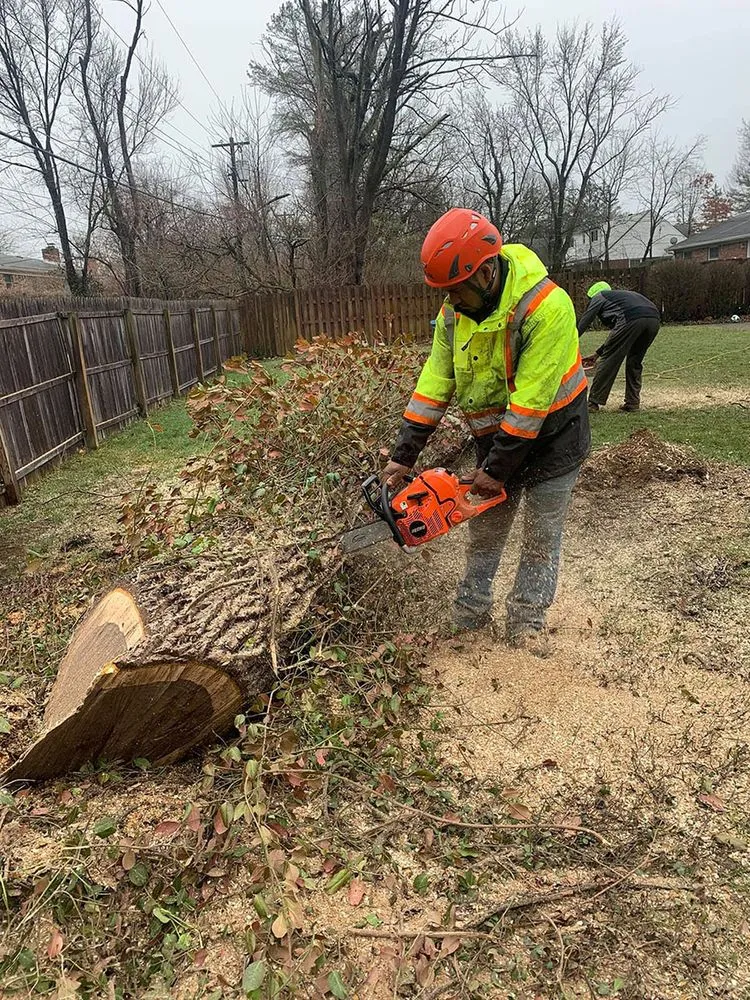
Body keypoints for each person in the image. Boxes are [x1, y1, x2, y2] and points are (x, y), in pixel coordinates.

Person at [382, 209, 591, 656]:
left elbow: (531, 403)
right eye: (446, 292)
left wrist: (495, 471)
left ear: (486, 271)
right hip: (498, 439)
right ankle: (470, 614)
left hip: (555, 435)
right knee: (486, 531)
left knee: (541, 533)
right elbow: (434, 384)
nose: (451, 300)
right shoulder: (454, 313)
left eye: (456, 289)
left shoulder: (546, 307)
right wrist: (404, 455)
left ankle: (526, 623)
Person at [577, 281, 661, 412]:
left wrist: (571, 338)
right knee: (634, 361)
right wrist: (597, 354)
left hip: (631, 319)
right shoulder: (621, 298)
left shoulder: (599, 297)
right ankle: (632, 402)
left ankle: (593, 403)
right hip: (654, 319)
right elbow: (617, 337)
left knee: (609, 360)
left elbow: (585, 321)